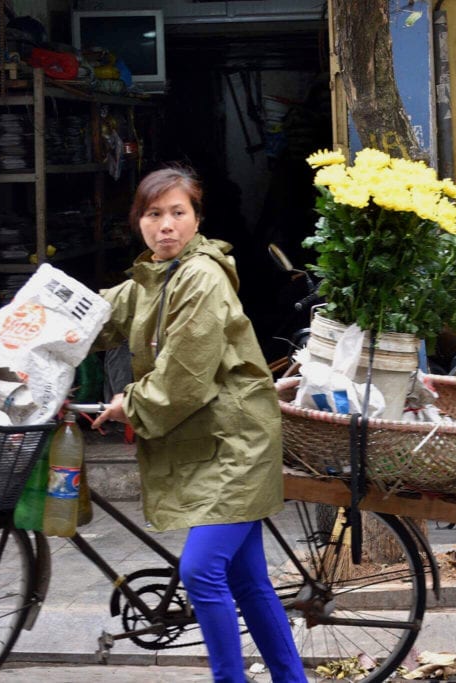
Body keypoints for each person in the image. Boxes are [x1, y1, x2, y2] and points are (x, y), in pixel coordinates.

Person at [91, 166, 306, 681]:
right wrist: (35, 330)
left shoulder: (201, 276)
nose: (165, 225)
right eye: (153, 214)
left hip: (236, 444)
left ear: (196, 219)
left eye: (177, 213)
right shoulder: (153, 277)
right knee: (247, 579)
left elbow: (185, 374)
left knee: (201, 571)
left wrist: (132, 402)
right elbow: (99, 315)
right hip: (212, 440)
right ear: (138, 221)